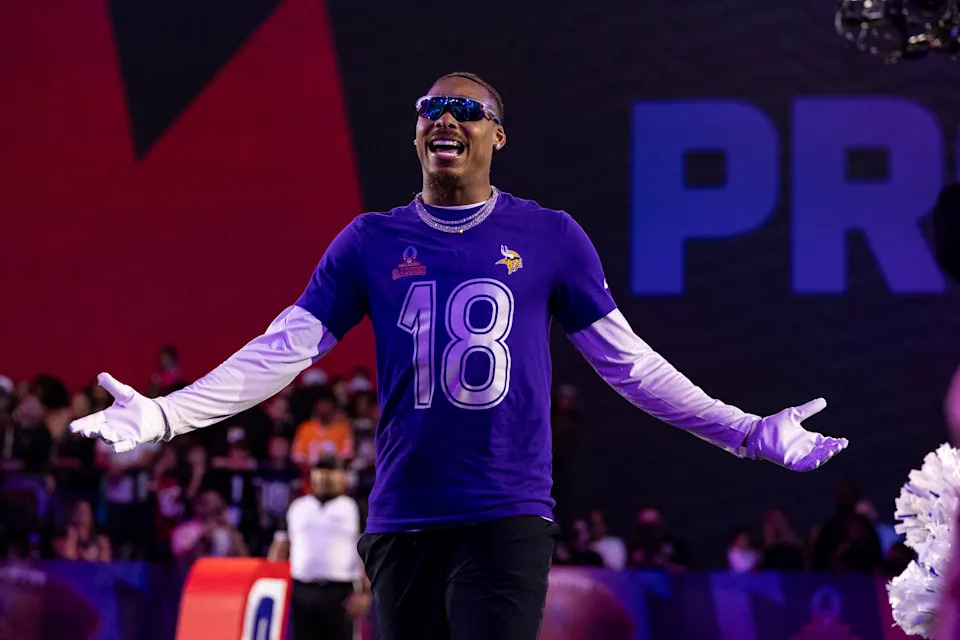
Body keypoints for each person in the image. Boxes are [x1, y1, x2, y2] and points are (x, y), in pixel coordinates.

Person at [70, 71, 848, 640]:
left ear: (496, 136)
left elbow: (632, 367)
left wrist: (745, 431)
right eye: (430, 109)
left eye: (466, 110)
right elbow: (282, 353)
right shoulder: (368, 241)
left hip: (504, 515)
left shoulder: (551, 236)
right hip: (402, 520)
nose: (446, 118)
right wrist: (167, 415)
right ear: (416, 133)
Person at [268, 456, 371, 640]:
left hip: (341, 593)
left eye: (331, 471)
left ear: (343, 476)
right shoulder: (297, 506)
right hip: (301, 592)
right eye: (320, 470)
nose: (325, 476)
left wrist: (365, 592)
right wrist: (274, 589)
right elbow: (279, 550)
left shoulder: (355, 508)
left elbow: (367, 553)